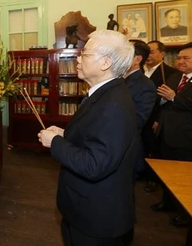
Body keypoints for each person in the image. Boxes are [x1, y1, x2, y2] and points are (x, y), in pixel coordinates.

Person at [38, 29, 137, 245]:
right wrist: (65, 134)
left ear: (105, 63)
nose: (78, 58)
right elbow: (97, 137)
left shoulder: (113, 105)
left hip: (96, 217)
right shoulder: (105, 93)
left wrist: (54, 142)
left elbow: (94, 165)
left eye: (85, 54)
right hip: (85, 208)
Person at [151, 42, 192, 228]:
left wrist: (174, 97)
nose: (180, 61)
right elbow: (165, 102)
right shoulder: (175, 77)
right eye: (179, 58)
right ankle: (168, 203)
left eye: (186, 58)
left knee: (187, 179)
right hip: (167, 132)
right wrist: (159, 119)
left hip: (190, 136)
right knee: (168, 173)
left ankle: (186, 214)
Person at [143, 41, 178, 193]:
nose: (148, 56)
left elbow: (169, 101)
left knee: (155, 148)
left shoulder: (171, 73)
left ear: (162, 54)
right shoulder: (138, 71)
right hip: (139, 115)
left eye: (151, 52)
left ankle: (153, 178)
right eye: (146, 52)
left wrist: (159, 119)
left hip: (156, 117)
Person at [125, 40, 157, 178]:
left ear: (137, 59)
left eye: (124, 52)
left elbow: (137, 121)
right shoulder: (116, 79)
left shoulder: (145, 86)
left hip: (126, 149)